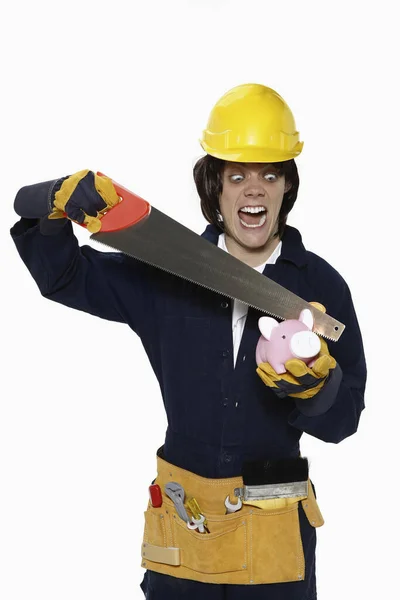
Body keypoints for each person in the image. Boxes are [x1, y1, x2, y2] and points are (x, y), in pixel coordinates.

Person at [10, 83, 367, 599]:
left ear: (287, 186)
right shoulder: (167, 270)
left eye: (270, 174)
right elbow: (63, 276)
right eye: (237, 174)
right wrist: (51, 199)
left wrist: (315, 390)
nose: (253, 189)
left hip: (274, 540)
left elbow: (345, 421)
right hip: (183, 523)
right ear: (214, 186)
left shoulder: (321, 288)